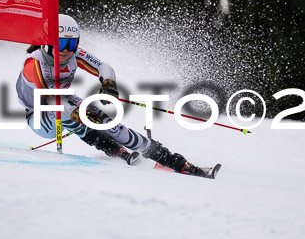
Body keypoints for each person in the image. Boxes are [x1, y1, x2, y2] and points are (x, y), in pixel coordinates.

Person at [15, 14, 219, 178]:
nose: (67, 51)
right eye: (61, 45)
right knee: (80, 113)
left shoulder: (73, 54)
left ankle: (170, 159)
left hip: (64, 103)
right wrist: (82, 115)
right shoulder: (34, 64)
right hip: (39, 117)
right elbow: (49, 100)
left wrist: (108, 84)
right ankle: (111, 145)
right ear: (46, 42)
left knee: (107, 122)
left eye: (72, 44)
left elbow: (103, 67)